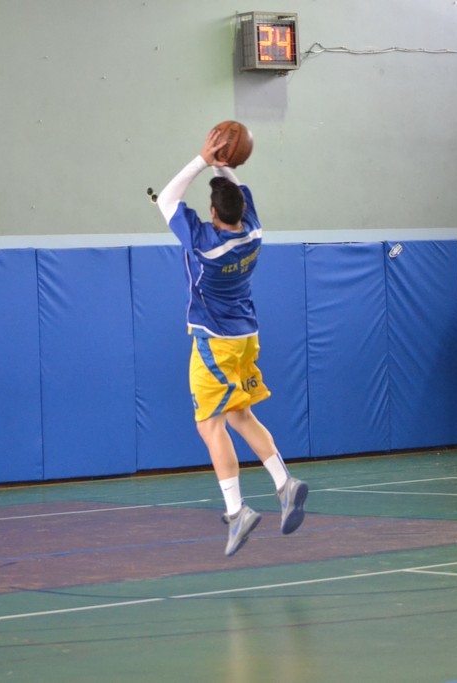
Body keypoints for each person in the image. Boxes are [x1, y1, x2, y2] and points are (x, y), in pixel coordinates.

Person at [156, 128, 308, 557]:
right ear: (243, 206)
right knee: (240, 413)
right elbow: (234, 193)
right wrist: (222, 164)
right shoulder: (253, 230)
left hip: (215, 341)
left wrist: (204, 159)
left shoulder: (205, 244)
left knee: (210, 424)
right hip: (246, 336)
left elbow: (166, 199)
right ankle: (284, 482)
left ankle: (237, 511)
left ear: (211, 212)